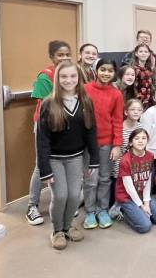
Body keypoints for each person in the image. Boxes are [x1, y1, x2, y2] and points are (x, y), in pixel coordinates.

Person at [37, 61, 99, 249]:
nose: (68, 80)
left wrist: (94, 161)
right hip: (54, 159)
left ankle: (67, 226)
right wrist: (45, 170)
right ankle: (57, 231)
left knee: (74, 195)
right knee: (61, 196)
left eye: (73, 76)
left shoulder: (85, 101)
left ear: (79, 78)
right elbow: (42, 140)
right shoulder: (49, 103)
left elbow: (91, 132)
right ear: (57, 79)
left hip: (76, 158)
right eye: (64, 76)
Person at [26, 40, 72, 226]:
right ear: (52, 57)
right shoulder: (45, 77)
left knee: (64, 162)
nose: (65, 58)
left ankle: (63, 204)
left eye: (68, 54)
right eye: (60, 55)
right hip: (46, 125)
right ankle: (32, 206)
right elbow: (47, 105)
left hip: (64, 124)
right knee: (41, 164)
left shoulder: (70, 74)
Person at [83, 59, 124, 230]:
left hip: (107, 143)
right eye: (103, 70)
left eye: (110, 70)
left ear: (114, 74)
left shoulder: (116, 94)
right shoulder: (85, 90)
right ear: (96, 70)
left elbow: (117, 120)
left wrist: (116, 145)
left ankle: (102, 210)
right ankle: (90, 211)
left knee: (105, 178)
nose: (106, 73)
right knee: (90, 180)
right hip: (87, 144)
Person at [115, 128, 156, 233]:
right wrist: (141, 206)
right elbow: (129, 188)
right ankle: (120, 209)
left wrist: (146, 202)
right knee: (145, 226)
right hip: (127, 197)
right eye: (137, 138)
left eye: (144, 138)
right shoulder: (125, 160)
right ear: (130, 142)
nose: (140, 141)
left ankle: (141, 210)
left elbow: (147, 181)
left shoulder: (150, 156)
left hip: (142, 194)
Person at [132, 43, 156, 109]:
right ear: (136, 54)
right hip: (137, 103)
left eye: (146, 52)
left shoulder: (149, 69)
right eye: (141, 51)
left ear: (149, 54)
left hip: (149, 102)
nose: (143, 53)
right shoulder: (133, 69)